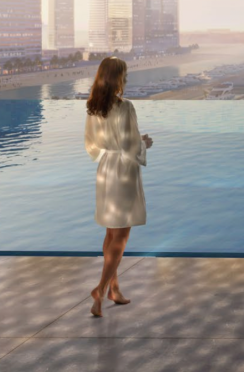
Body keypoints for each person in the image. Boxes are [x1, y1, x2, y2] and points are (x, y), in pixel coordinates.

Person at [84, 57, 154, 317]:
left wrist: (118, 148)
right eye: (124, 74)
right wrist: (145, 143)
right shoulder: (125, 107)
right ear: (118, 78)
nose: (126, 79)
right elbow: (130, 145)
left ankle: (114, 290)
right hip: (123, 171)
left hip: (105, 169)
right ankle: (100, 290)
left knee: (110, 234)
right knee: (122, 237)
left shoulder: (93, 107)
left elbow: (92, 143)